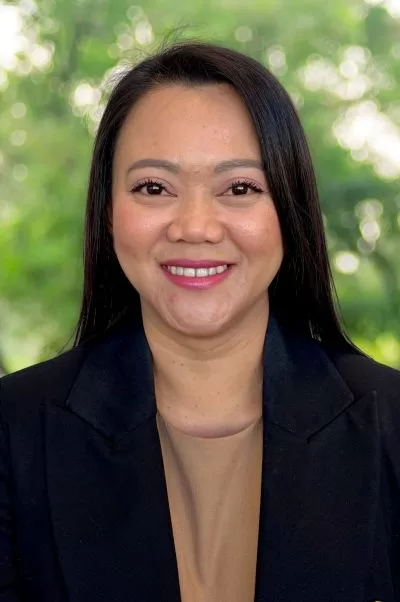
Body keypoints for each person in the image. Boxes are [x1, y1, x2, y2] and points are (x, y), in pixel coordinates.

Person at [0, 41, 399, 602]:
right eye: (154, 188)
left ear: (289, 210)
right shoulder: (13, 431)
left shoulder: (389, 425)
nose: (195, 226)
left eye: (239, 188)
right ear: (108, 212)